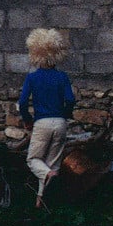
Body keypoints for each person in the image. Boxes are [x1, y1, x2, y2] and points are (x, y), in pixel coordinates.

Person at [18, 28, 75, 207]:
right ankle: (42, 202)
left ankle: (48, 179)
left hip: (41, 122)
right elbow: (70, 100)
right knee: (52, 164)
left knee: (33, 160)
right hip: (60, 123)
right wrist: (65, 115)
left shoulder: (32, 78)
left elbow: (22, 102)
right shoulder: (62, 77)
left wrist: (27, 120)